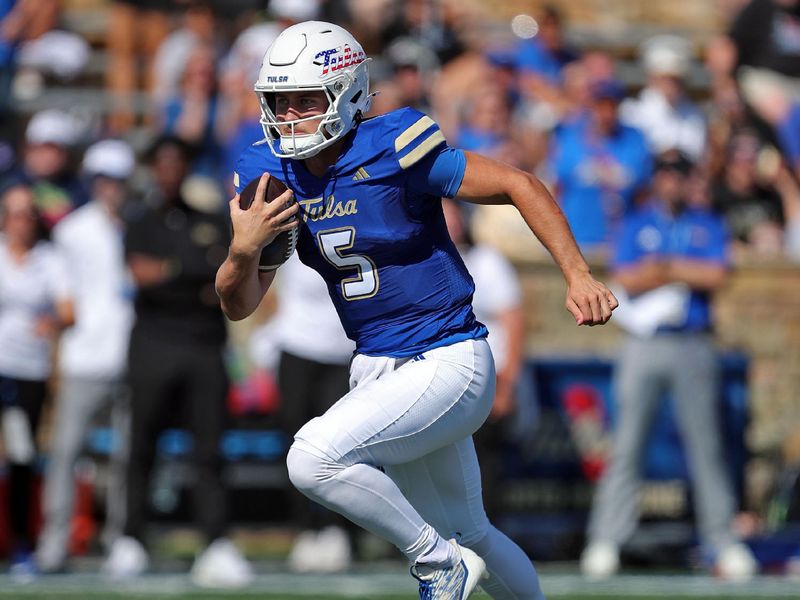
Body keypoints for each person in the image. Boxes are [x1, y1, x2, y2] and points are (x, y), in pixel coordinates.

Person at [216, 21, 617, 599]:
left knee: (311, 458)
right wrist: (241, 251)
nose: (291, 115)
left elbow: (519, 183)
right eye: (280, 100)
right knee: (473, 532)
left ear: (348, 92)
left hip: (448, 357)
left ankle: (434, 563)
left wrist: (577, 274)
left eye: (306, 99)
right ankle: (459, 559)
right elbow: (240, 303)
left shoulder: (395, 146)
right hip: (376, 366)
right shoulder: (272, 176)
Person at [580, 151, 758, 581]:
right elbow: (624, 275)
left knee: (706, 446)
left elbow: (717, 274)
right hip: (644, 343)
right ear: (656, 180)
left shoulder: (706, 222)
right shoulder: (638, 222)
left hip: (692, 341)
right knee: (627, 444)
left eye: (680, 175)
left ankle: (722, 541)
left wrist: (665, 267)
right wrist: (676, 271)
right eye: (666, 175)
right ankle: (606, 539)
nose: (672, 183)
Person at [101, 136, 253, 588]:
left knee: (209, 449)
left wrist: (175, 271)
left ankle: (215, 542)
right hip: (152, 346)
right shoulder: (140, 220)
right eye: (161, 162)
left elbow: (225, 280)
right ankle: (130, 539)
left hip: (204, 347)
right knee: (140, 446)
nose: (169, 170)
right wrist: (190, 270)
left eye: (177, 162)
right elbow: (144, 275)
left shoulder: (208, 219)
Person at [36, 140, 137, 573]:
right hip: (85, 356)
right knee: (66, 452)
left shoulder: (138, 225)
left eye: (117, 180)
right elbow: (61, 296)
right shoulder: (72, 231)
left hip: (131, 353)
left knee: (128, 456)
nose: (111, 187)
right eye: (104, 179)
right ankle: (54, 541)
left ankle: (120, 540)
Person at [254, 253, 357, 573]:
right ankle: (305, 529)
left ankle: (339, 530)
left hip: (343, 351)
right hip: (297, 348)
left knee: (343, 447)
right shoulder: (293, 230)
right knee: (295, 444)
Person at [0, 184, 74, 580]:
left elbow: (67, 309)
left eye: (28, 213)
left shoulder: (48, 260)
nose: (20, 222)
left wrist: (53, 321)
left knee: (22, 457)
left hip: (26, 371)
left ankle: (20, 545)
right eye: (14, 213)